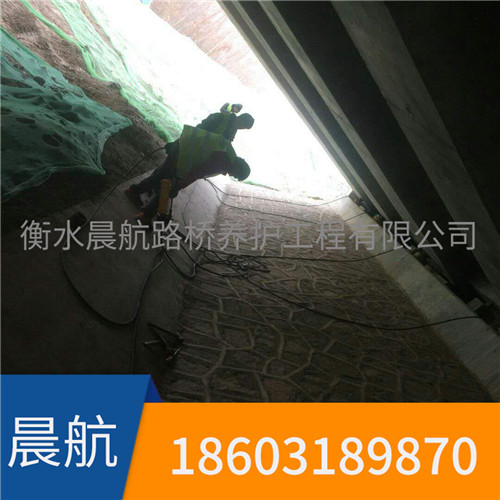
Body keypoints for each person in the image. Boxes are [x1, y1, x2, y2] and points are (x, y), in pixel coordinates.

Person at [125, 125, 250, 224]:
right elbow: (197, 172)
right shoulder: (222, 160)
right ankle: (144, 216)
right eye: (235, 175)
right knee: (169, 189)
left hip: (183, 146)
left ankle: (135, 192)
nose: (231, 175)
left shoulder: (229, 154)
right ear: (237, 168)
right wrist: (179, 185)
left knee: (162, 178)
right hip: (182, 154)